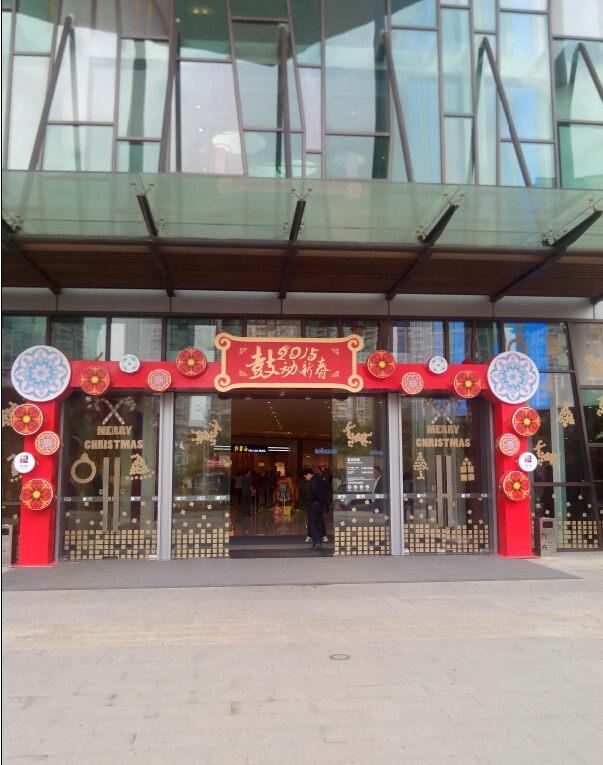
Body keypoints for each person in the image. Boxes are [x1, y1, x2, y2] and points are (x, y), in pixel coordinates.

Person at [303, 468, 327, 552]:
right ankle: (319, 540)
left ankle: (317, 542)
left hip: (313, 505)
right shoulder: (320, 479)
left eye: (306, 477)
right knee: (319, 522)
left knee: (311, 523)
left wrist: (310, 500)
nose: (306, 479)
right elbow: (327, 488)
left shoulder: (312, 481)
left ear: (308, 474)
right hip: (320, 505)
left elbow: (314, 491)